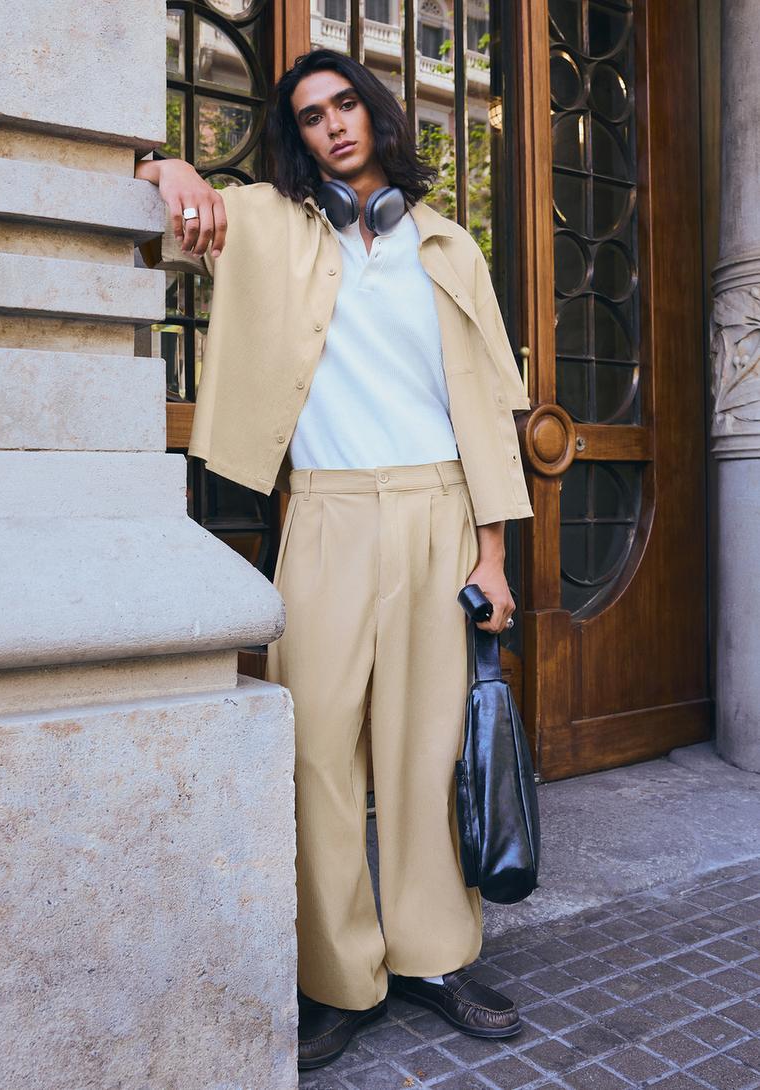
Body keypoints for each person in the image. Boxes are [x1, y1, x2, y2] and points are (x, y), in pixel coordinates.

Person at [136, 47, 534, 1071]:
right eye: (310, 115)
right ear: (296, 135)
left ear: (377, 113)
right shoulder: (265, 225)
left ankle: (433, 956)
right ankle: (338, 977)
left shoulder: (447, 245)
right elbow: (169, 219)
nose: (333, 126)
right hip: (320, 513)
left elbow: (487, 410)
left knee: (420, 745)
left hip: (437, 509)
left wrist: (492, 556)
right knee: (314, 751)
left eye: (346, 104)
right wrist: (161, 163)